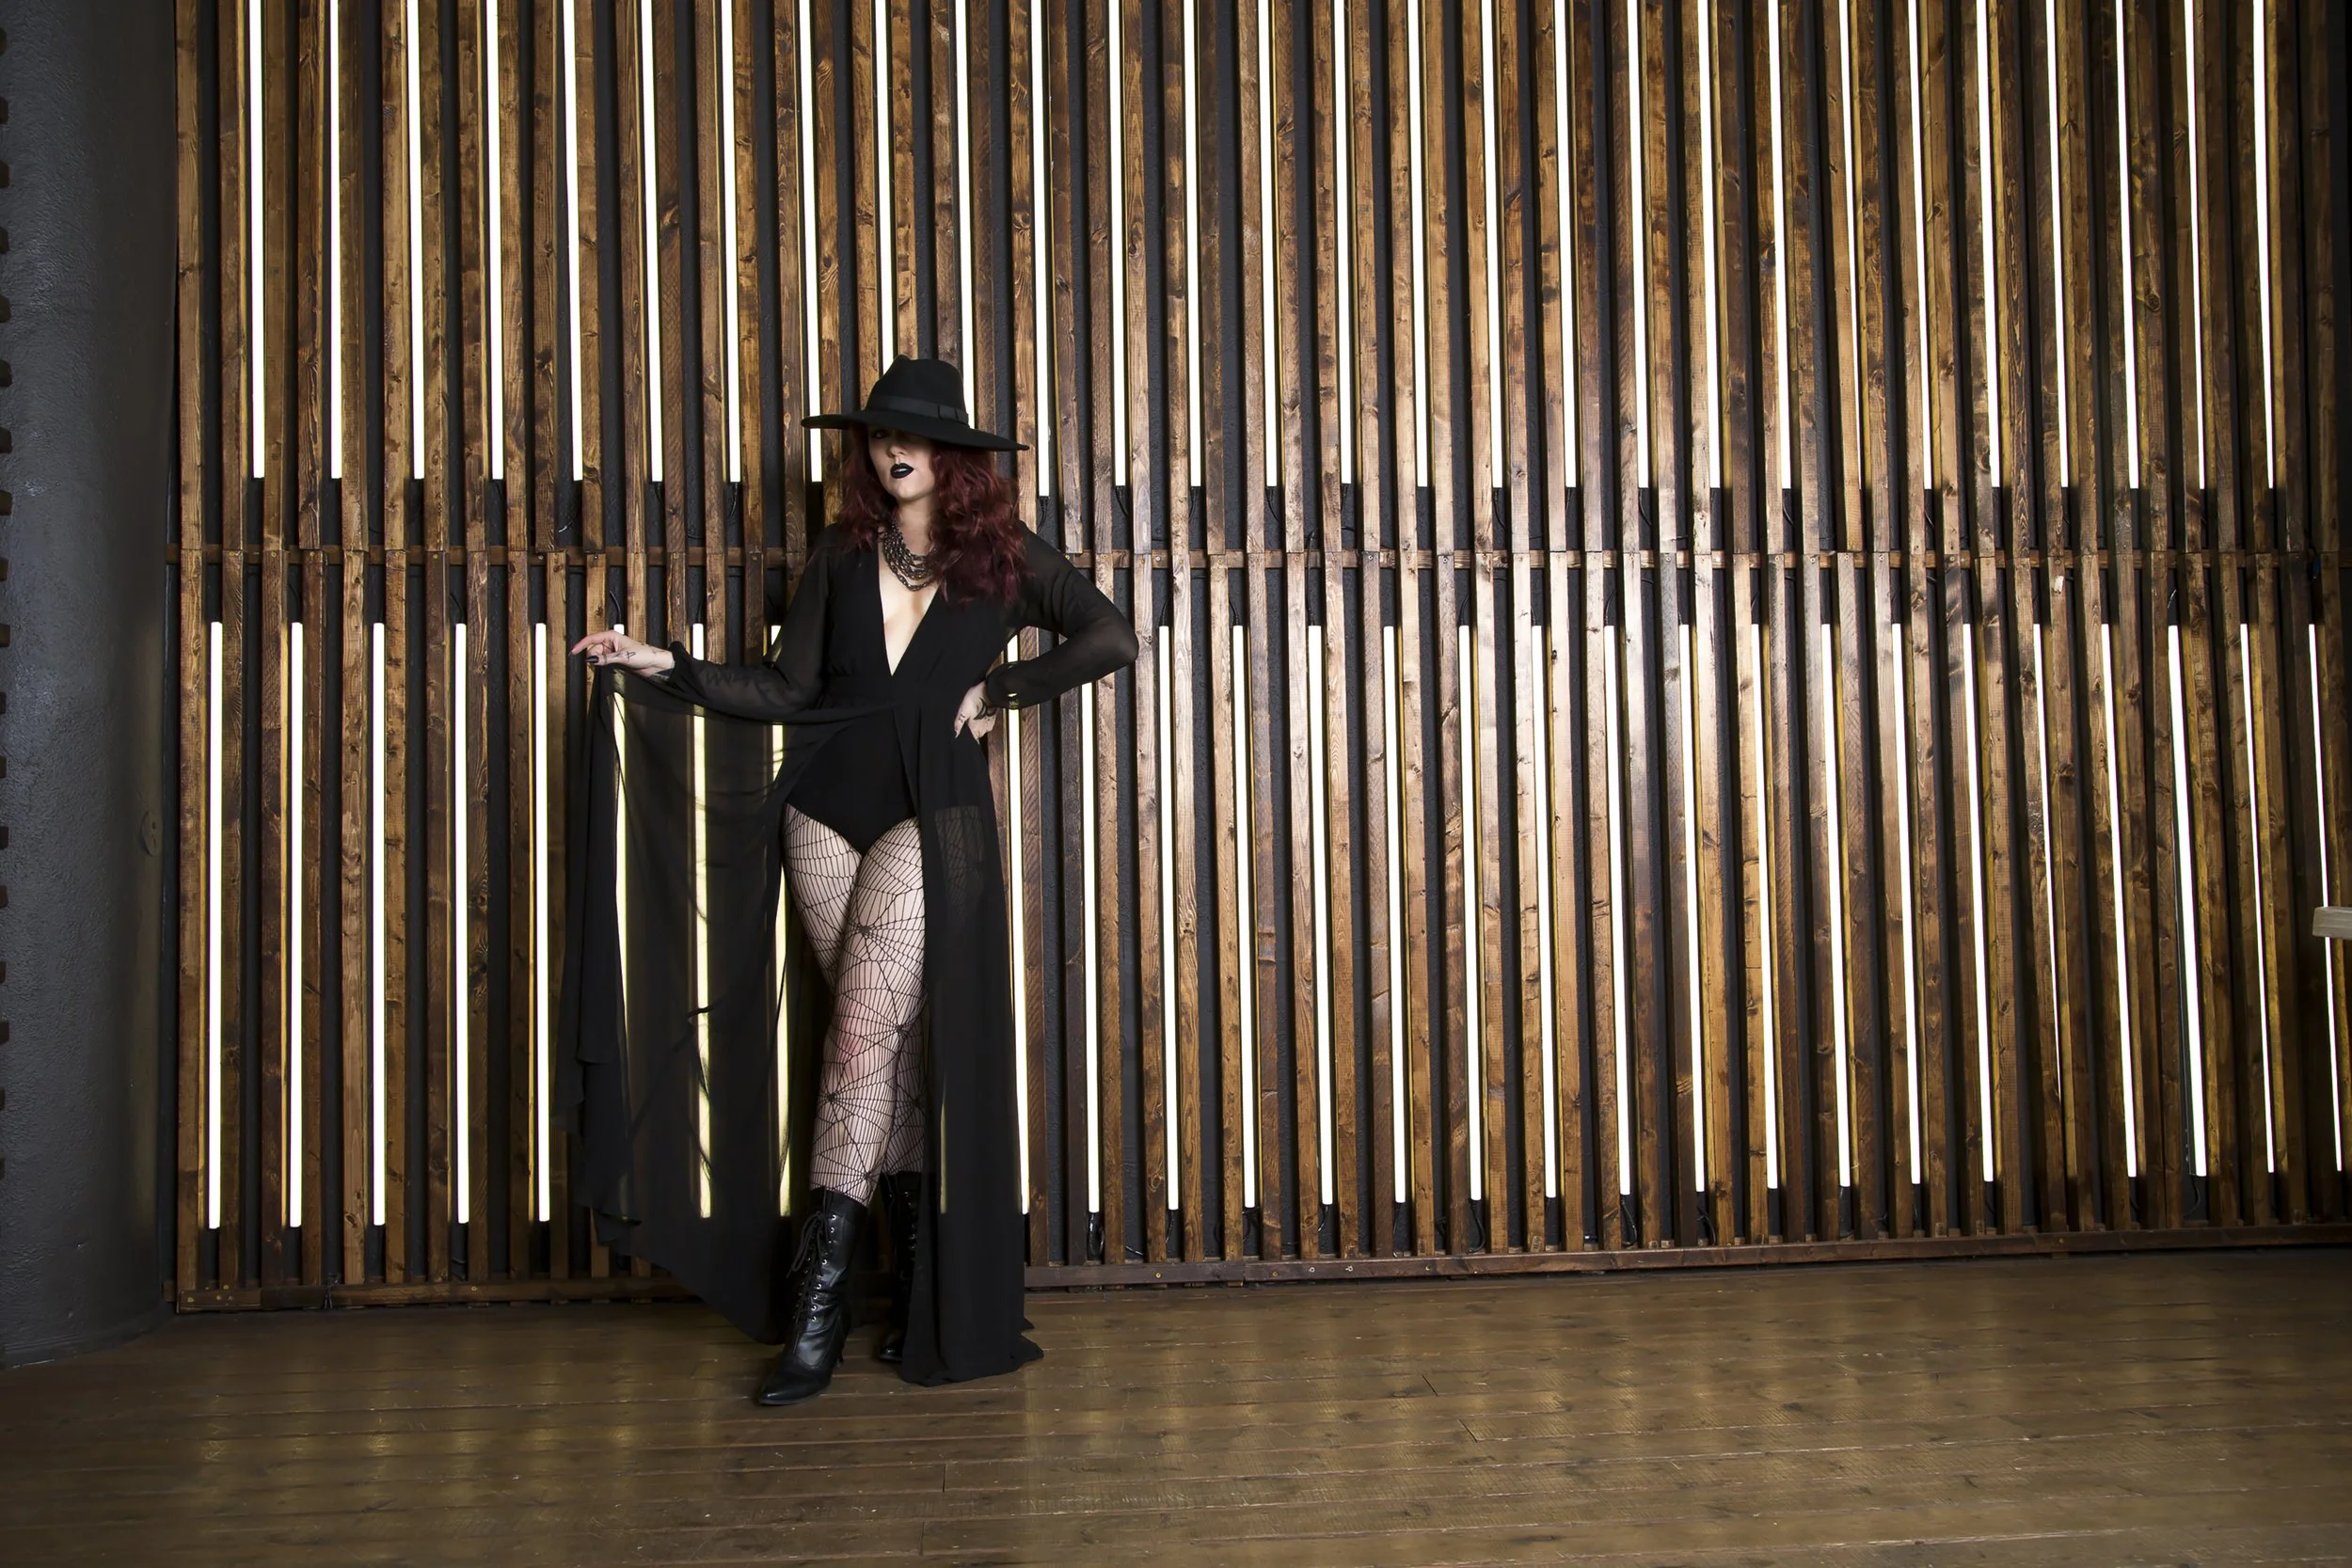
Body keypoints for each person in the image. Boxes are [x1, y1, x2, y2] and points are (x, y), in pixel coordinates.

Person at [564, 356, 1136, 1404]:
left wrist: (999, 686)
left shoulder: (1005, 559)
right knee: (884, 1051)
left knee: (860, 1038)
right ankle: (914, 1281)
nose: (891, 448)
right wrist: (664, 663)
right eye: (877, 435)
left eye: (911, 434)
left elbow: (1111, 635)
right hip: (823, 810)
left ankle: (816, 1309)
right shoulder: (837, 555)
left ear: (955, 454)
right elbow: (787, 690)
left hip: (938, 816)